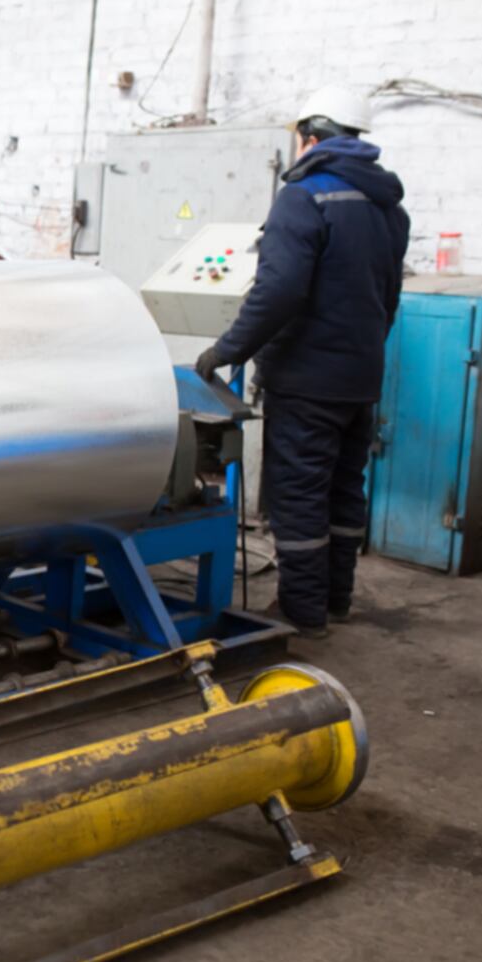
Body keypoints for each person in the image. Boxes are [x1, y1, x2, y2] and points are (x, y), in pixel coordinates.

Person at [195, 85, 410, 637]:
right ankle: (336, 601)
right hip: (360, 377)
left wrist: (226, 350)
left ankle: (302, 611)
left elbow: (279, 290)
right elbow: (388, 298)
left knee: (300, 495)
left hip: (307, 380)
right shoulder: (389, 206)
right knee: (343, 490)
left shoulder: (304, 197)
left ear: (310, 137)